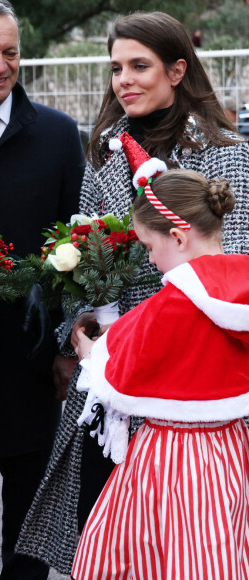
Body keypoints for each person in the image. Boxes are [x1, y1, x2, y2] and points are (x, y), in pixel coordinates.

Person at [17, 11, 249, 575]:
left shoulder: (223, 150)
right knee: (111, 518)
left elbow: (233, 270)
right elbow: (84, 248)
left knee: (191, 535)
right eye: (116, 67)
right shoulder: (104, 148)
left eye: (139, 66)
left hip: (195, 371)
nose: (124, 79)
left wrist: (158, 322)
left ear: (177, 70)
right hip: (114, 366)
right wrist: (76, 330)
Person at [0, 2, 85, 579]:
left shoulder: (58, 135)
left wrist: (63, 346)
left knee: (29, 506)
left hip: (31, 357)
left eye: (10, 52)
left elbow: (75, 246)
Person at [71, 166, 249, 579]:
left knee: (150, 552)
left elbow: (117, 374)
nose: (149, 258)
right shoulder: (237, 289)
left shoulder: (172, 302)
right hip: (228, 446)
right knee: (212, 549)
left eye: (149, 246)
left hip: (170, 454)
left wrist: (89, 353)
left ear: (179, 236)